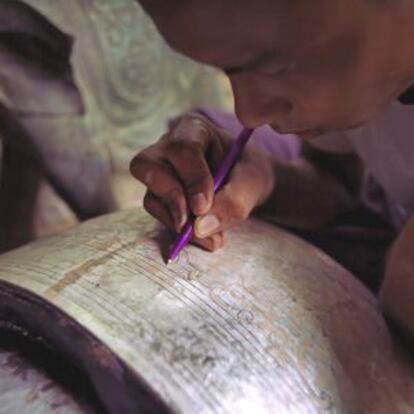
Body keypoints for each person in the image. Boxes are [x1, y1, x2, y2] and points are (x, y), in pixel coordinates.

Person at [130, 0, 414, 341]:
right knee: (206, 137)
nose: (248, 113)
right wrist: (267, 178)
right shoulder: (364, 70)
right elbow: (336, 179)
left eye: (275, 66)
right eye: (227, 71)